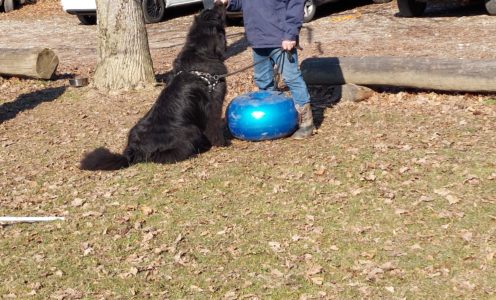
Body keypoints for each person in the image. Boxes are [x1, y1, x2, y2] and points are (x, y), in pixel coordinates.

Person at [215, 0, 314, 139]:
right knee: (263, 80)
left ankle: (306, 123)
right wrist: (228, 2)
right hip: (258, 40)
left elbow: (296, 5)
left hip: (281, 40)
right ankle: (272, 120)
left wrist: (290, 35)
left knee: (292, 78)